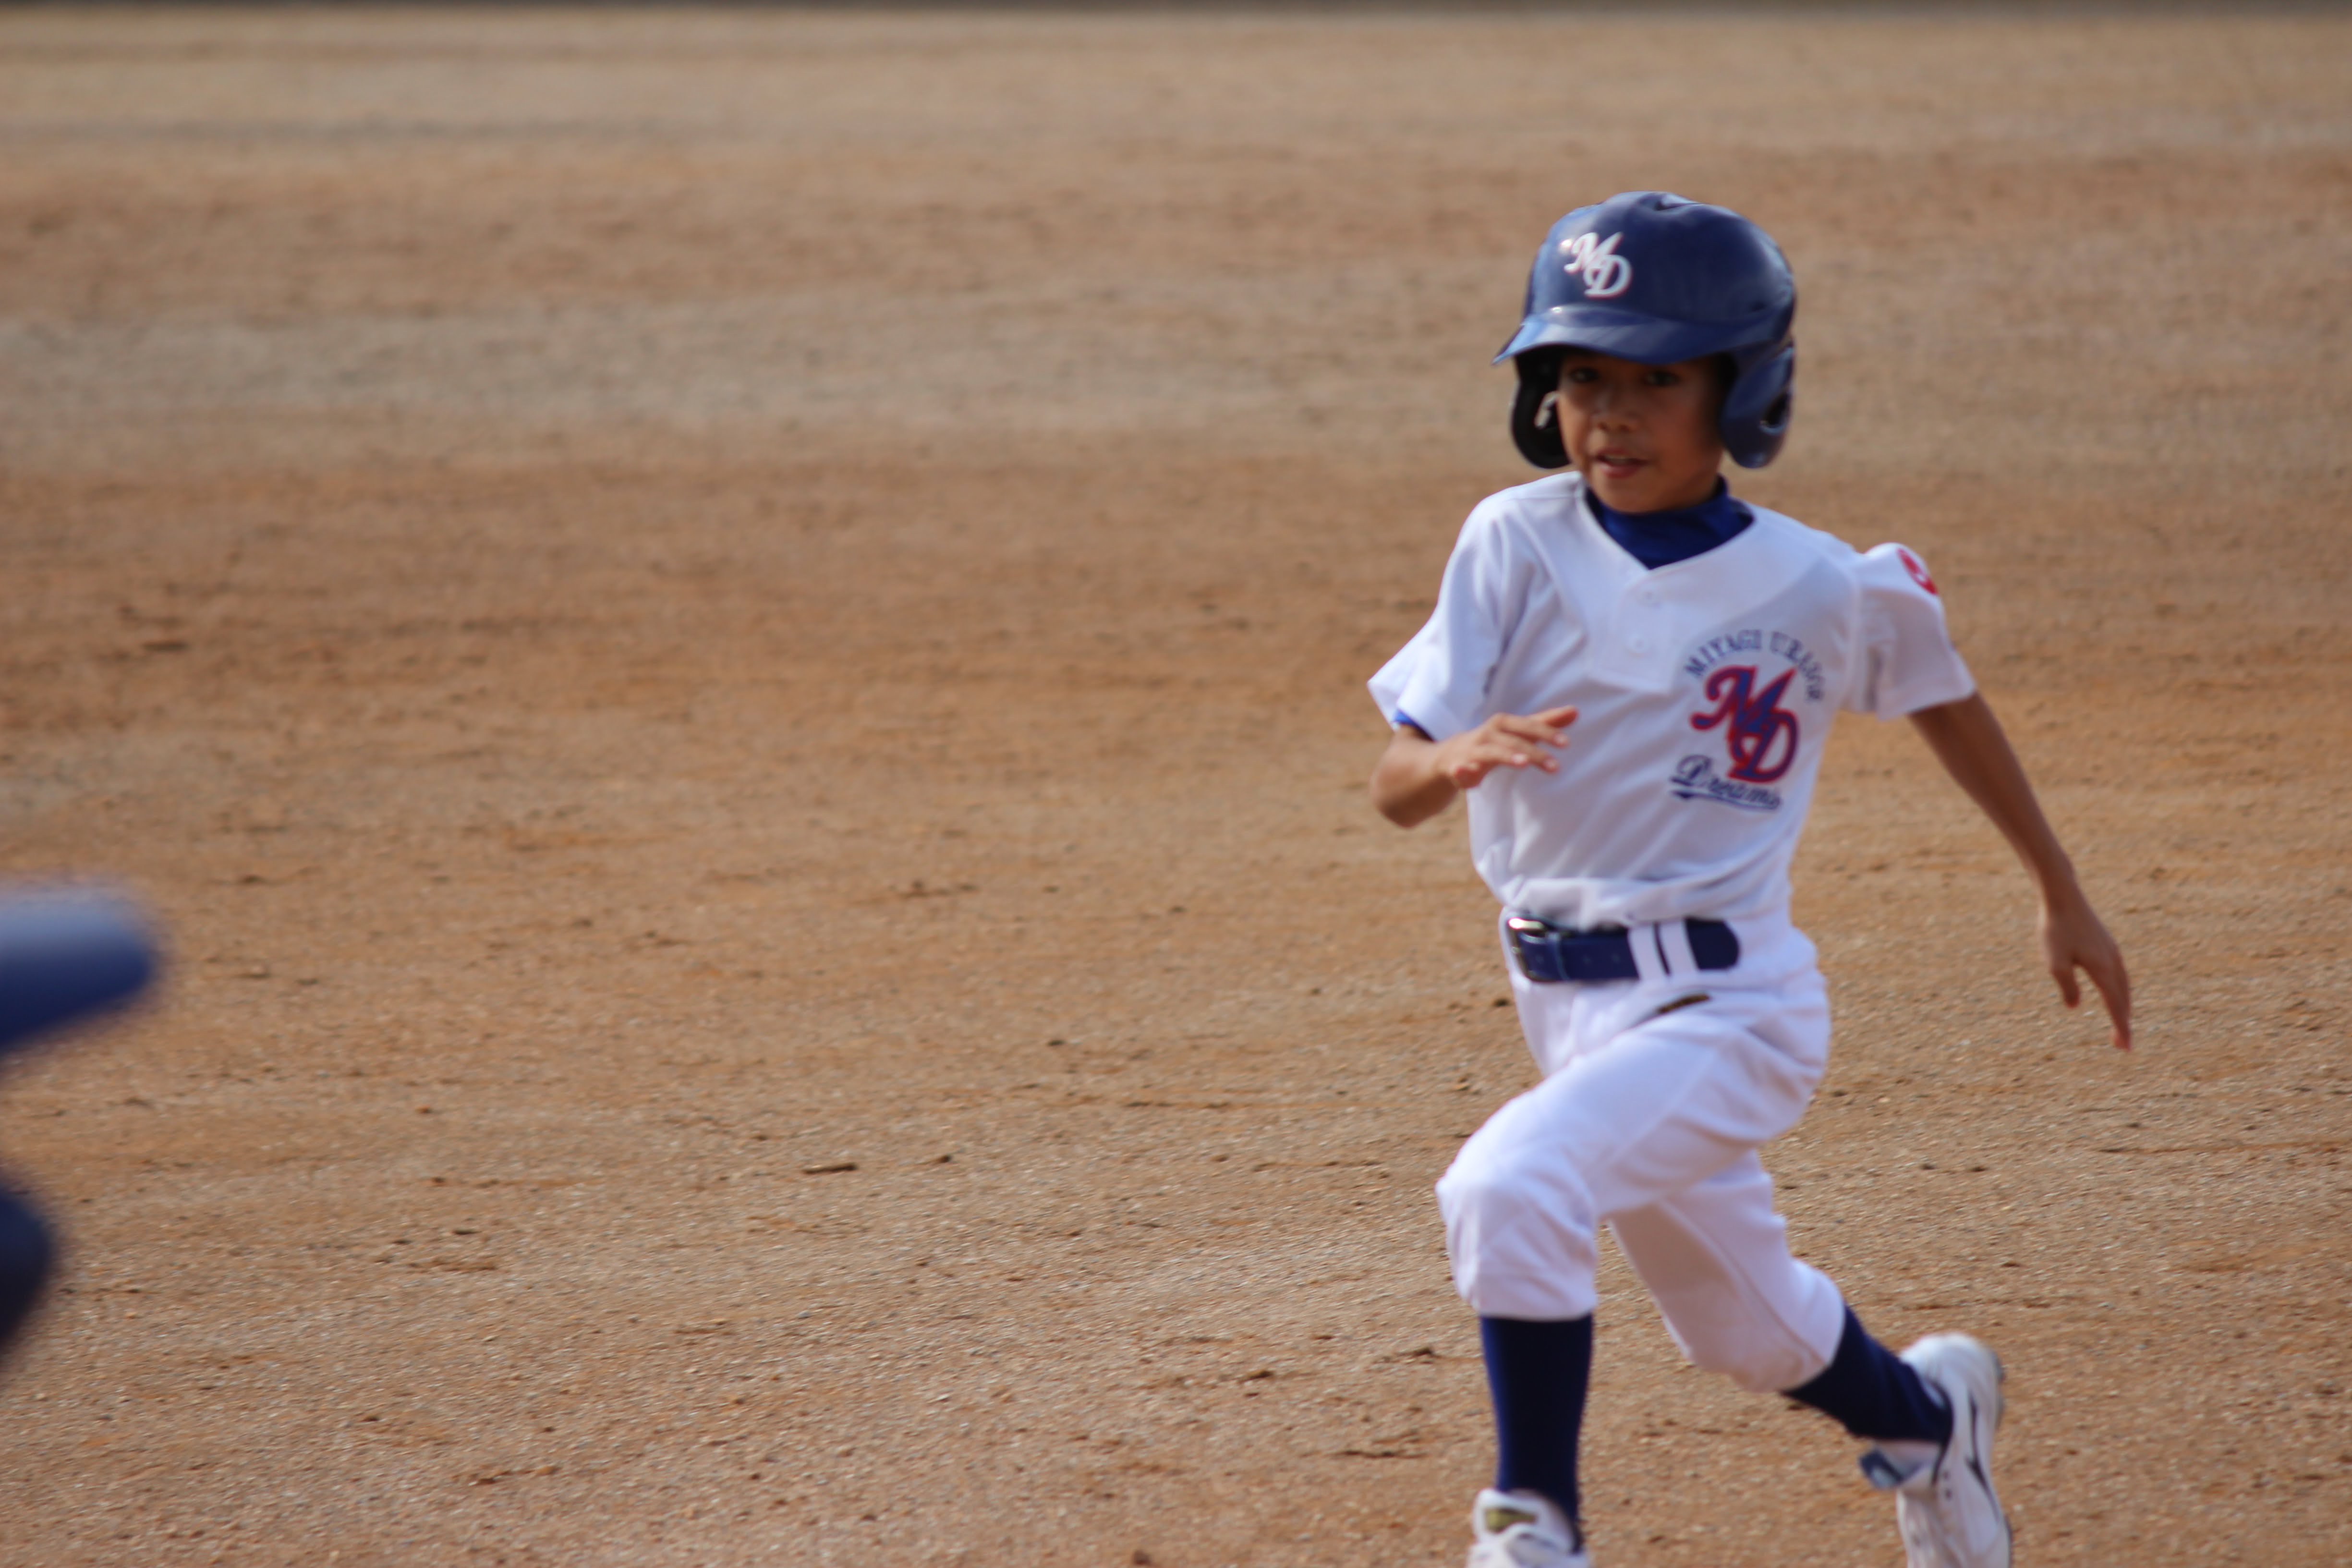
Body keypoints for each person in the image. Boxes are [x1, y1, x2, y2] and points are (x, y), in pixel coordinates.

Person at [1365, 192, 2130, 1568]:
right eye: (1581, 374)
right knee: (1743, 1326)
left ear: (1747, 386)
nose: (1608, 411)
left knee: (1506, 1185)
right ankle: (1929, 1418)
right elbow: (1393, 780)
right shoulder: (1512, 540)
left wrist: (2056, 887)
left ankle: (1529, 1525)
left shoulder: (1818, 585)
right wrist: (1453, 757)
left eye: (1656, 376)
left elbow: (1943, 697)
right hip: (1570, 1009)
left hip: (1737, 1008)